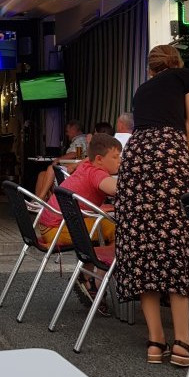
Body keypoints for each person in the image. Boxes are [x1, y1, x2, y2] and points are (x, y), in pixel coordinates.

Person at [114, 44, 189, 367]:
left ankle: (155, 342)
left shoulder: (142, 90)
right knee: (174, 243)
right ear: (176, 61)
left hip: (136, 157)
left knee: (143, 246)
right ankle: (182, 342)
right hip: (168, 154)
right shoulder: (186, 77)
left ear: (151, 68)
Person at [36, 133, 121, 312]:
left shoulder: (87, 165)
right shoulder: (96, 173)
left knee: (104, 226)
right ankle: (95, 281)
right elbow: (117, 189)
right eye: (115, 157)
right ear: (99, 159)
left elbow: (82, 163)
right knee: (119, 232)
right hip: (57, 229)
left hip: (51, 224)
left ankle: (88, 277)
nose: (120, 160)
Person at [33, 119, 88, 200]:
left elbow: (76, 154)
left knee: (50, 169)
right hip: (71, 169)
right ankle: (40, 200)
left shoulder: (80, 140)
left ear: (74, 129)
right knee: (42, 174)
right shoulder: (81, 140)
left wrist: (58, 160)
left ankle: (40, 199)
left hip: (73, 171)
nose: (66, 134)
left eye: (67, 131)